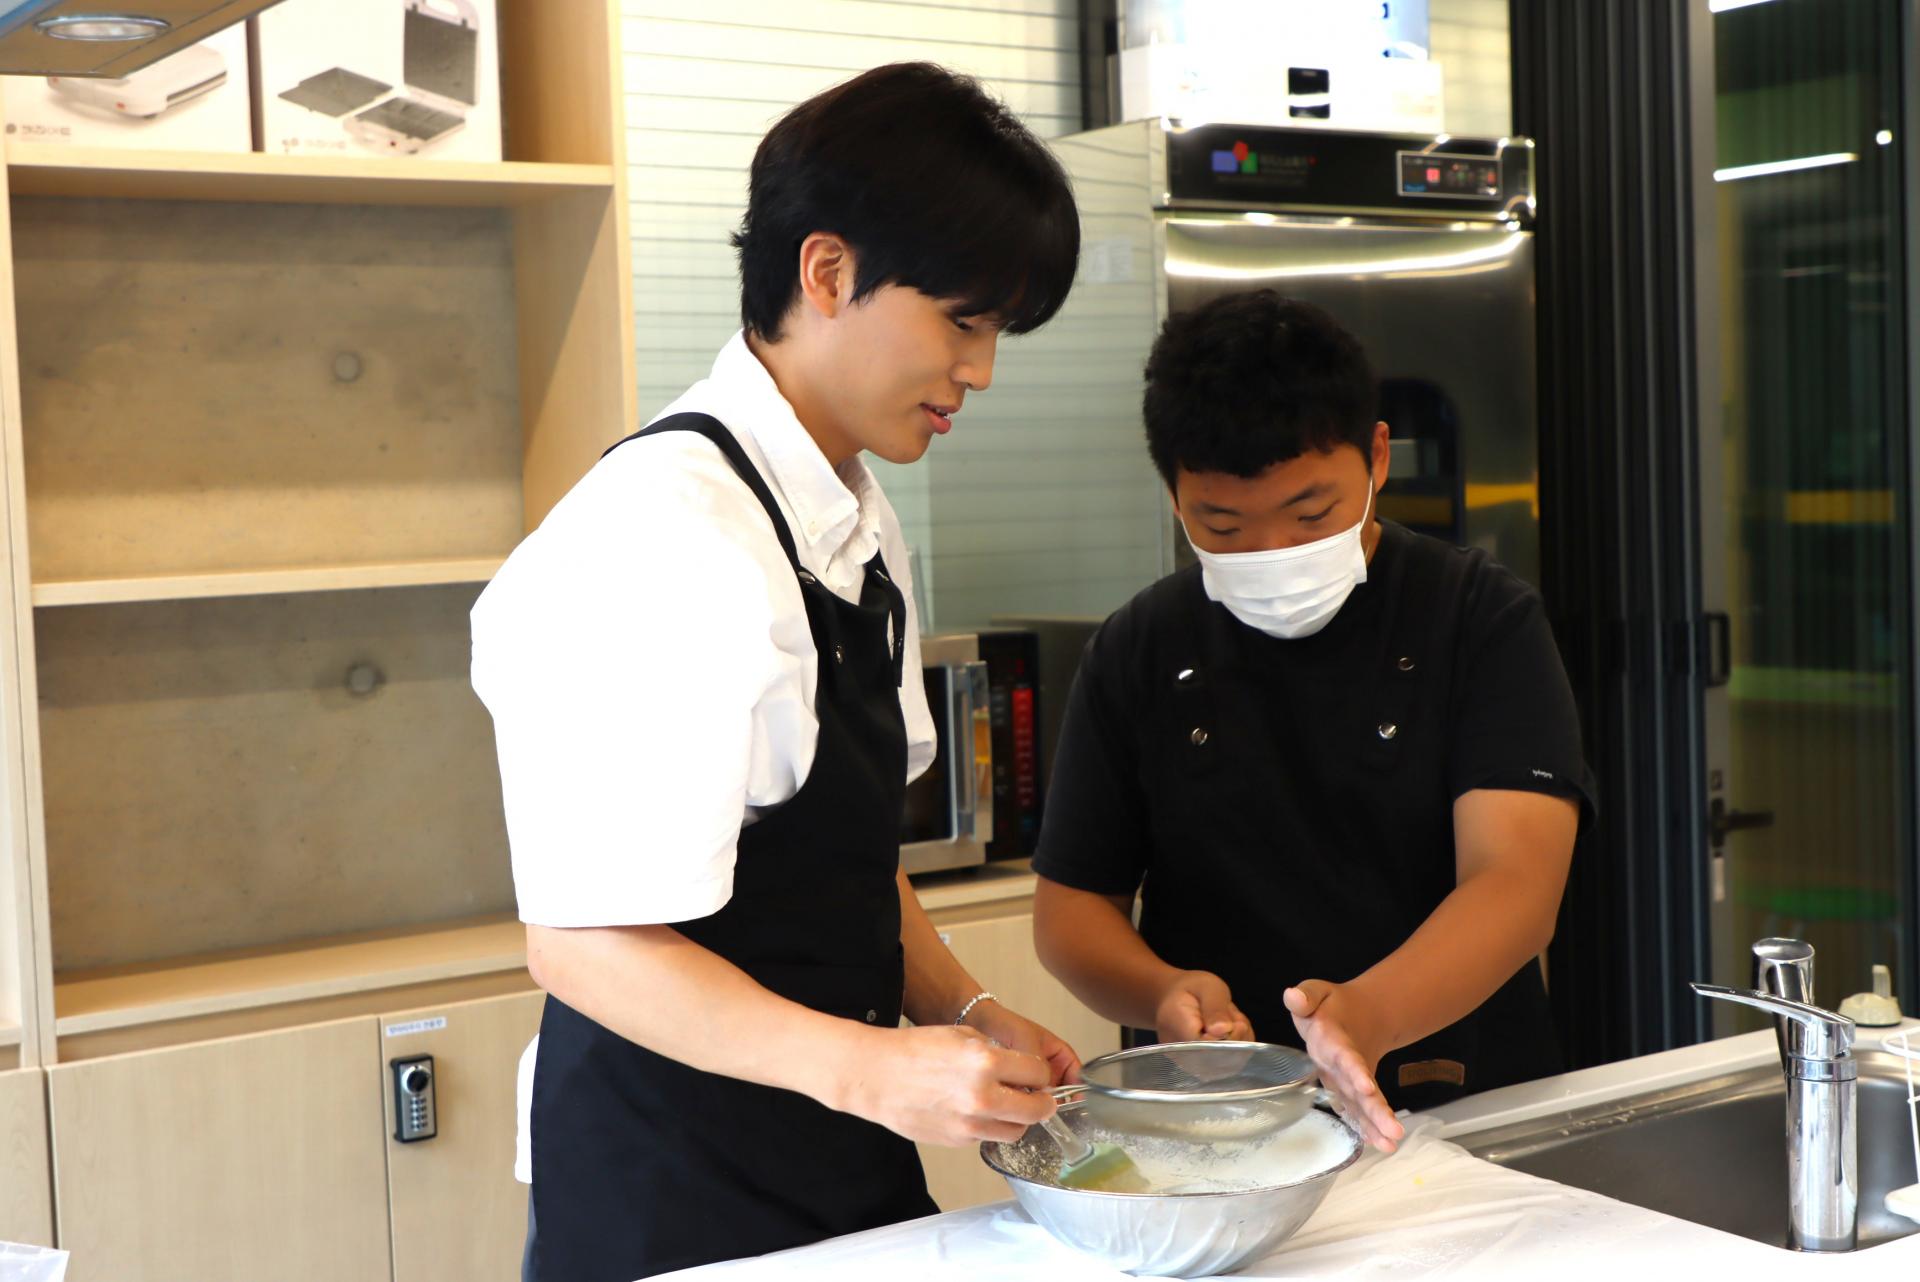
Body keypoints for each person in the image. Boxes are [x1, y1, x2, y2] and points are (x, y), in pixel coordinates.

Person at [471, 62, 1083, 1282]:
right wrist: (876, 1068)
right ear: (828, 272)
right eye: (963, 321)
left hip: (835, 1146)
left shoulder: (853, 514)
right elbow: (582, 946)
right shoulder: (661, 536)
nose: (981, 371)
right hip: (670, 1187)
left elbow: (838, 856)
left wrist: (962, 1012)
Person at [1030, 291, 1594, 1153]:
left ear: (1378, 457)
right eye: (1223, 524)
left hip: (1459, 1107)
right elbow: (1072, 908)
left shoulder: (1477, 618)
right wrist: (1160, 992)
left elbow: (1515, 882)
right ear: (1175, 495)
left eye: (1310, 515)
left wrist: (1370, 1015)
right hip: (1212, 1129)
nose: (1272, 554)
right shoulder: (1140, 647)